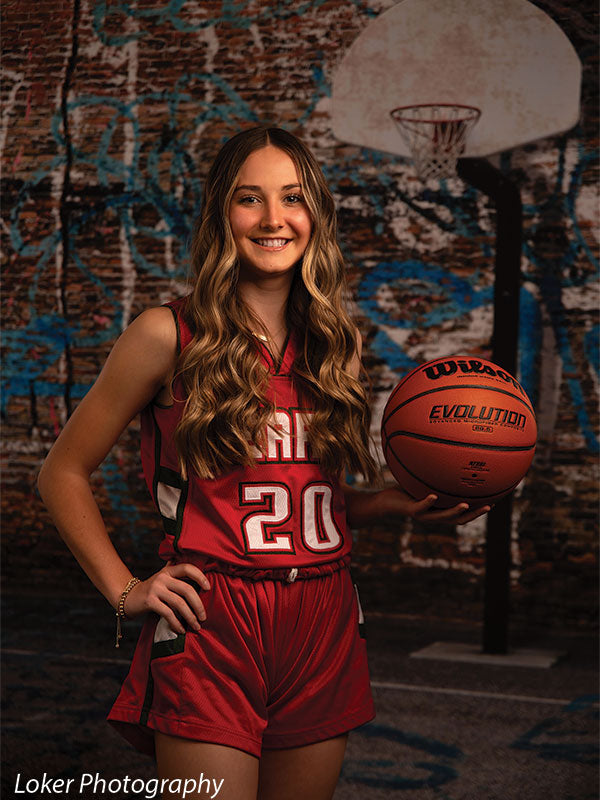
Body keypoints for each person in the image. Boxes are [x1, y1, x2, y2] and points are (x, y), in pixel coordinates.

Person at [37, 126, 489, 800]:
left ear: (316, 214)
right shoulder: (167, 334)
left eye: (293, 197)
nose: (274, 218)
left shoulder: (334, 342)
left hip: (324, 617)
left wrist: (388, 503)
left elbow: (297, 499)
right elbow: (61, 472)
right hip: (215, 620)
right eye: (250, 198)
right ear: (222, 214)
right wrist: (126, 590)